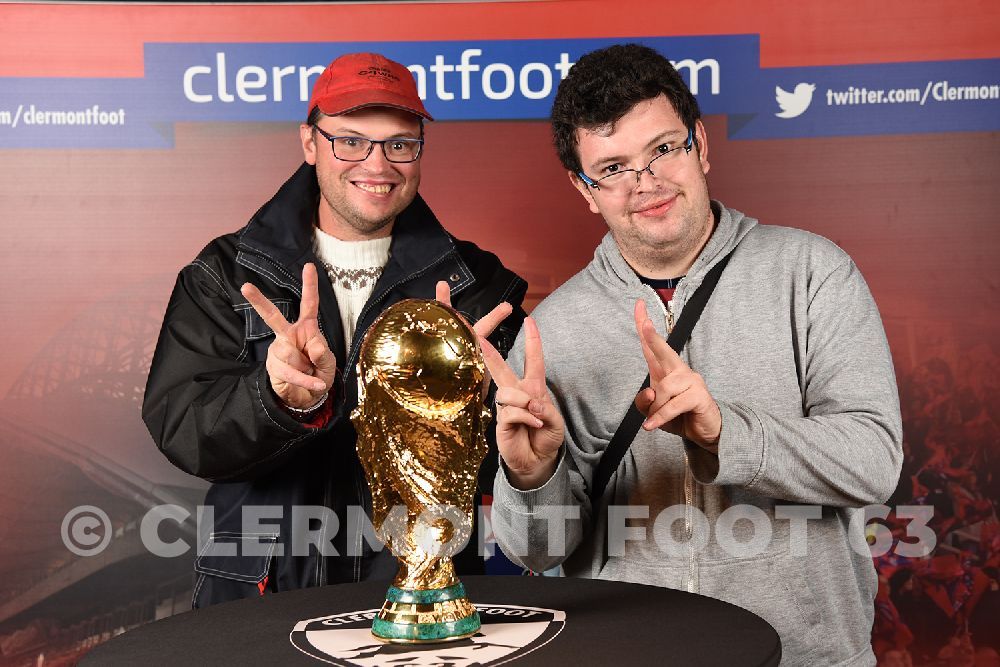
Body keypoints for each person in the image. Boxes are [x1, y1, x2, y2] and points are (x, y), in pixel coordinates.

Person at [485, 44, 903, 665]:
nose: (645, 182)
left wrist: (724, 433)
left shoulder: (812, 272)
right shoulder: (554, 330)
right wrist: (531, 477)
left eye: (663, 149)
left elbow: (874, 462)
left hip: (805, 653)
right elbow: (536, 550)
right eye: (614, 167)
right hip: (630, 655)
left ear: (700, 145)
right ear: (585, 188)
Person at [142, 52, 527, 607]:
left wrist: (460, 410)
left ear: (420, 150)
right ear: (309, 142)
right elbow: (182, 428)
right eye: (350, 141)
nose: (377, 164)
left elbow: (515, 466)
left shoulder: (479, 286)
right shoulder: (226, 273)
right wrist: (273, 401)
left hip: (416, 593)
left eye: (399, 143)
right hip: (259, 596)